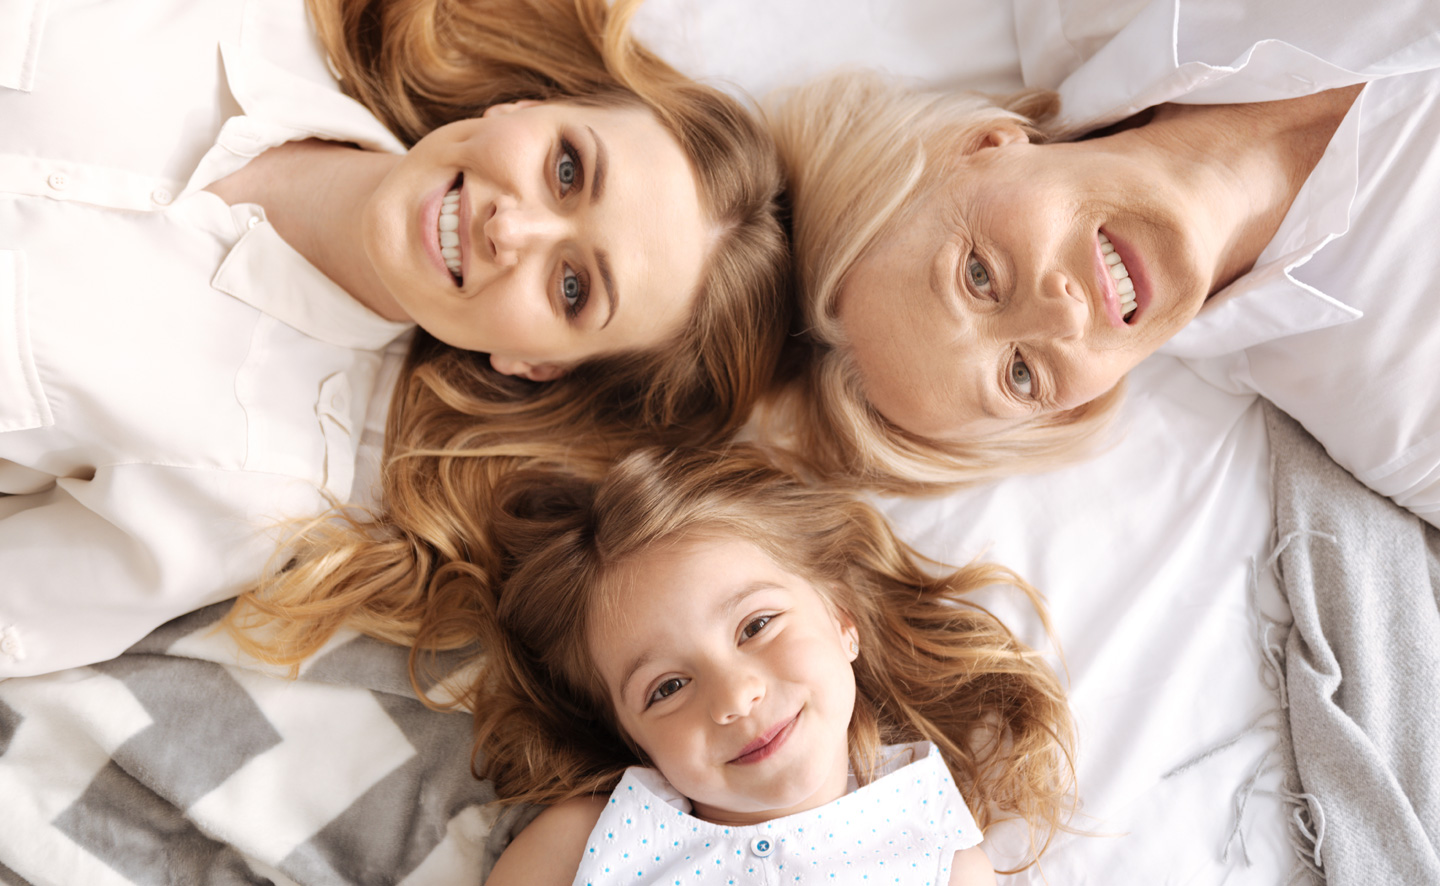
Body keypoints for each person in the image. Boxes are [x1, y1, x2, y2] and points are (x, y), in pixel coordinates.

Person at [0, 0, 789, 678]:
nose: (510, 225)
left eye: (573, 286)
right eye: (568, 169)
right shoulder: (251, 17)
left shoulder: (255, 476)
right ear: (527, 108)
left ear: (538, 364)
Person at [763, 0, 1440, 524]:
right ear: (1070, 410)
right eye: (1021, 375)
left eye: (978, 277)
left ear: (982, 144)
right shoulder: (1399, 416)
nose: (1061, 314)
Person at [462, 447, 1075, 885]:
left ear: (842, 620)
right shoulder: (589, 841)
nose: (735, 696)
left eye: (756, 626)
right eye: (667, 687)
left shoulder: (941, 857)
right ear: (632, 736)